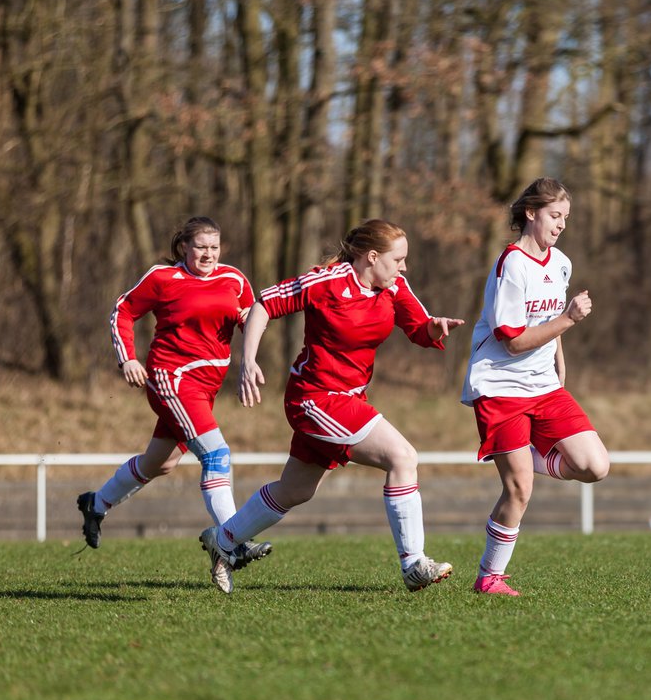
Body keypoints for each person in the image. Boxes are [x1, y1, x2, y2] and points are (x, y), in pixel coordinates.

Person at [199, 219, 464, 594]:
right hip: (314, 398)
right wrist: (249, 360)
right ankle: (413, 564)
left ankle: (223, 542)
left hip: (348, 398)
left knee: (296, 490)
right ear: (372, 257)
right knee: (402, 456)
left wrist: (433, 329)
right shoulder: (325, 282)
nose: (404, 267)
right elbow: (263, 305)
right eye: (398, 259)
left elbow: (419, 328)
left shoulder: (394, 287)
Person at [76, 216, 270, 574]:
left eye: (214, 247)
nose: (209, 254)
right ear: (185, 247)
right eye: (201, 247)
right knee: (216, 454)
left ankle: (97, 503)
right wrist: (128, 360)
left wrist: (252, 353)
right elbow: (123, 310)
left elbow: (250, 317)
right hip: (172, 378)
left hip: (207, 386)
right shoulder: (163, 278)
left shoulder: (234, 279)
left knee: (160, 463)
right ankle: (233, 541)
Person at [461, 178, 610, 596]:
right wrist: (569, 319)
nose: (561, 224)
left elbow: (548, 323)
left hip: (543, 386)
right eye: (555, 215)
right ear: (531, 213)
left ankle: (529, 453)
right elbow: (511, 340)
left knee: (595, 466)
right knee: (519, 489)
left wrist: (561, 361)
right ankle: (489, 577)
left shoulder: (560, 262)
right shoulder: (511, 265)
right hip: (500, 386)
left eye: (566, 218)